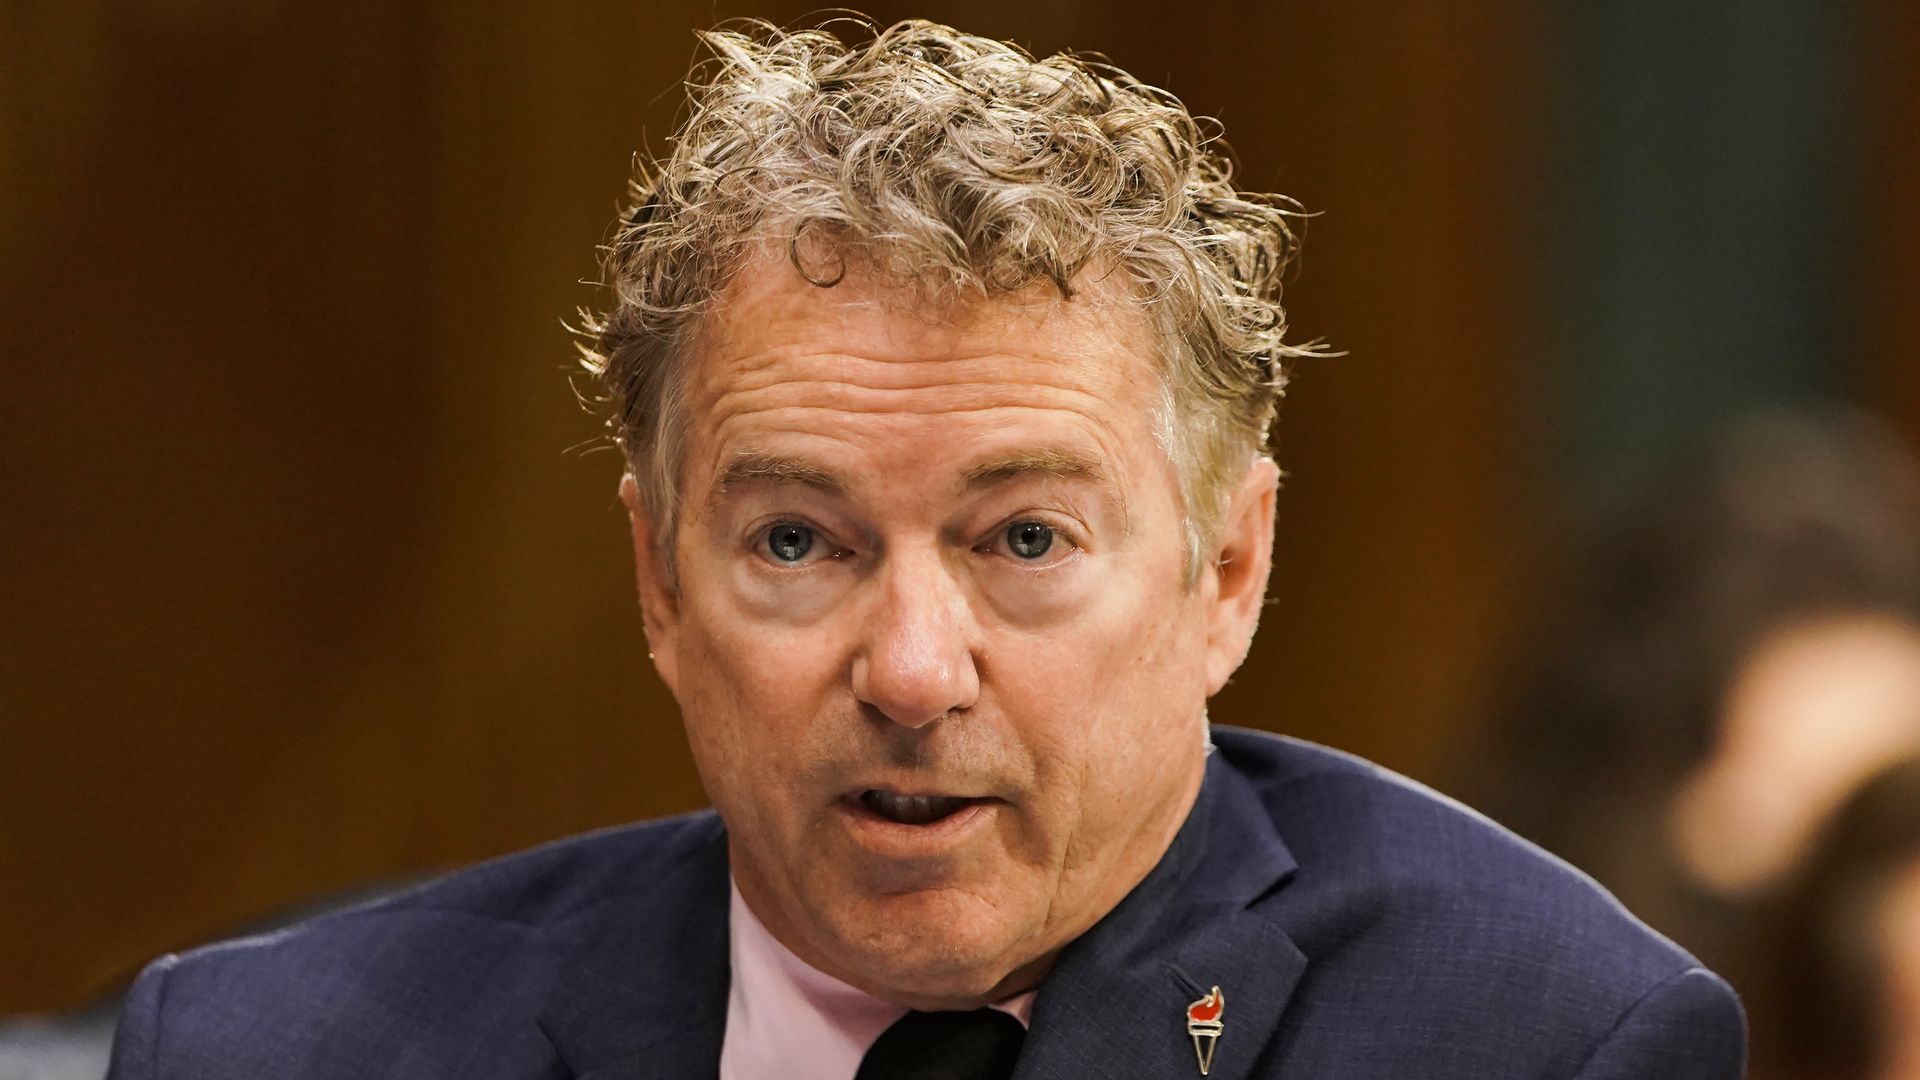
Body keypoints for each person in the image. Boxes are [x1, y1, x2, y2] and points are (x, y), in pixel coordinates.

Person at [105, 18, 1745, 1079]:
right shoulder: (272, 1054)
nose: (908, 669)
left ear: (1224, 576)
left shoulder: (1541, 1042)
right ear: (659, 584)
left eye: (1024, 536)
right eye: (800, 541)